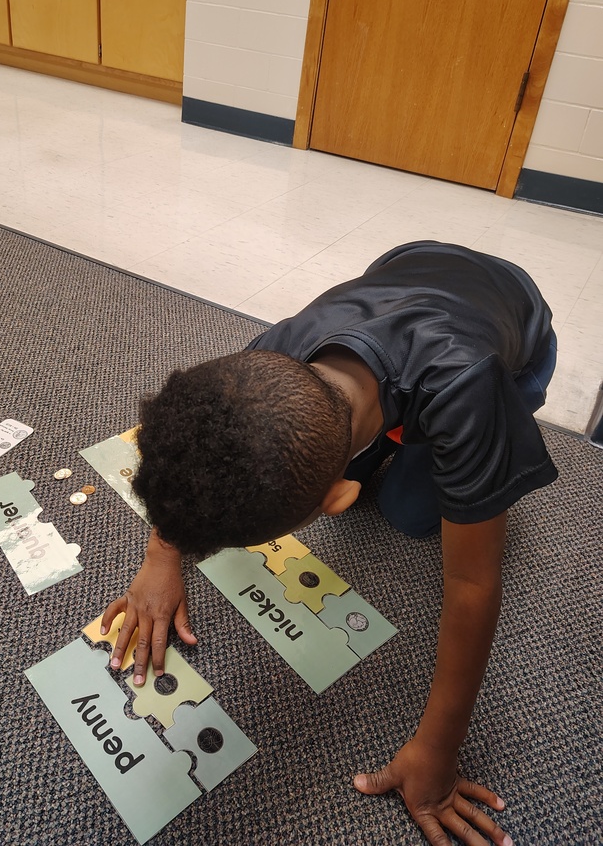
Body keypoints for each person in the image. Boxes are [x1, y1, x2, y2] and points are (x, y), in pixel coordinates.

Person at [101, 241, 557, 846]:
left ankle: (402, 442)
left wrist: (439, 750)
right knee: (369, 475)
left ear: (337, 498)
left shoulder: (469, 386)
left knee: (412, 513)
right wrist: (161, 556)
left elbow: (473, 585)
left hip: (514, 322)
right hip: (407, 265)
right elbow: (190, 447)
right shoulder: (263, 366)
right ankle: (386, 435)